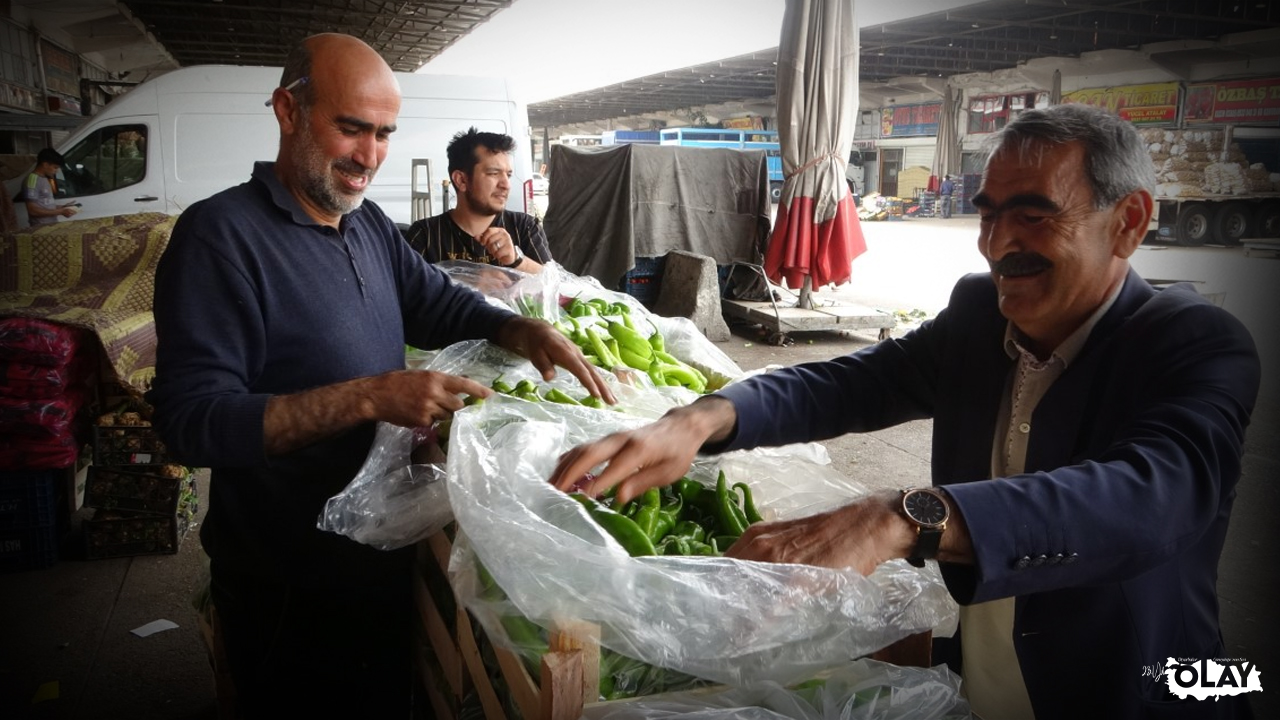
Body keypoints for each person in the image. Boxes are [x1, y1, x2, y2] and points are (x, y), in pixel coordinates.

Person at [550, 103, 1260, 720]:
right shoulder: (980, 315)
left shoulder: (1193, 343)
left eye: (1034, 215)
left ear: (1129, 221)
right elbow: (853, 383)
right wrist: (701, 420)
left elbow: (1155, 496)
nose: (998, 243)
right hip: (984, 682)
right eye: (989, 213)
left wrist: (899, 516)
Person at [146, 33, 613, 719]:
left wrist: (522, 327)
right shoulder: (219, 237)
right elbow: (191, 423)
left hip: (378, 551)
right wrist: (371, 396)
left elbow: (435, 302)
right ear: (287, 111)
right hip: (287, 577)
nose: (370, 156)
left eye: (385, 134)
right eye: (351, 129)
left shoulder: (367, 227)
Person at [402, 126, 550, 273]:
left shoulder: (524, 227)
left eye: (508, 175)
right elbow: (405, 291)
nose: (506, 185)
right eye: (493, 173)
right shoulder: (425, 235)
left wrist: (517, 260)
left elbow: (555, 285)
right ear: (461, 180)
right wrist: (470, 284)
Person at [23, 148, 77, 227]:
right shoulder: (32, 180)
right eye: (55, 167)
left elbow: (44, 205)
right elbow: (32, 210)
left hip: (50, 225)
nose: (57, 171)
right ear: (45, 164)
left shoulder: (44, 179)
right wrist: (60, 212)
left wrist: (63, 208)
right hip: (40, 227)